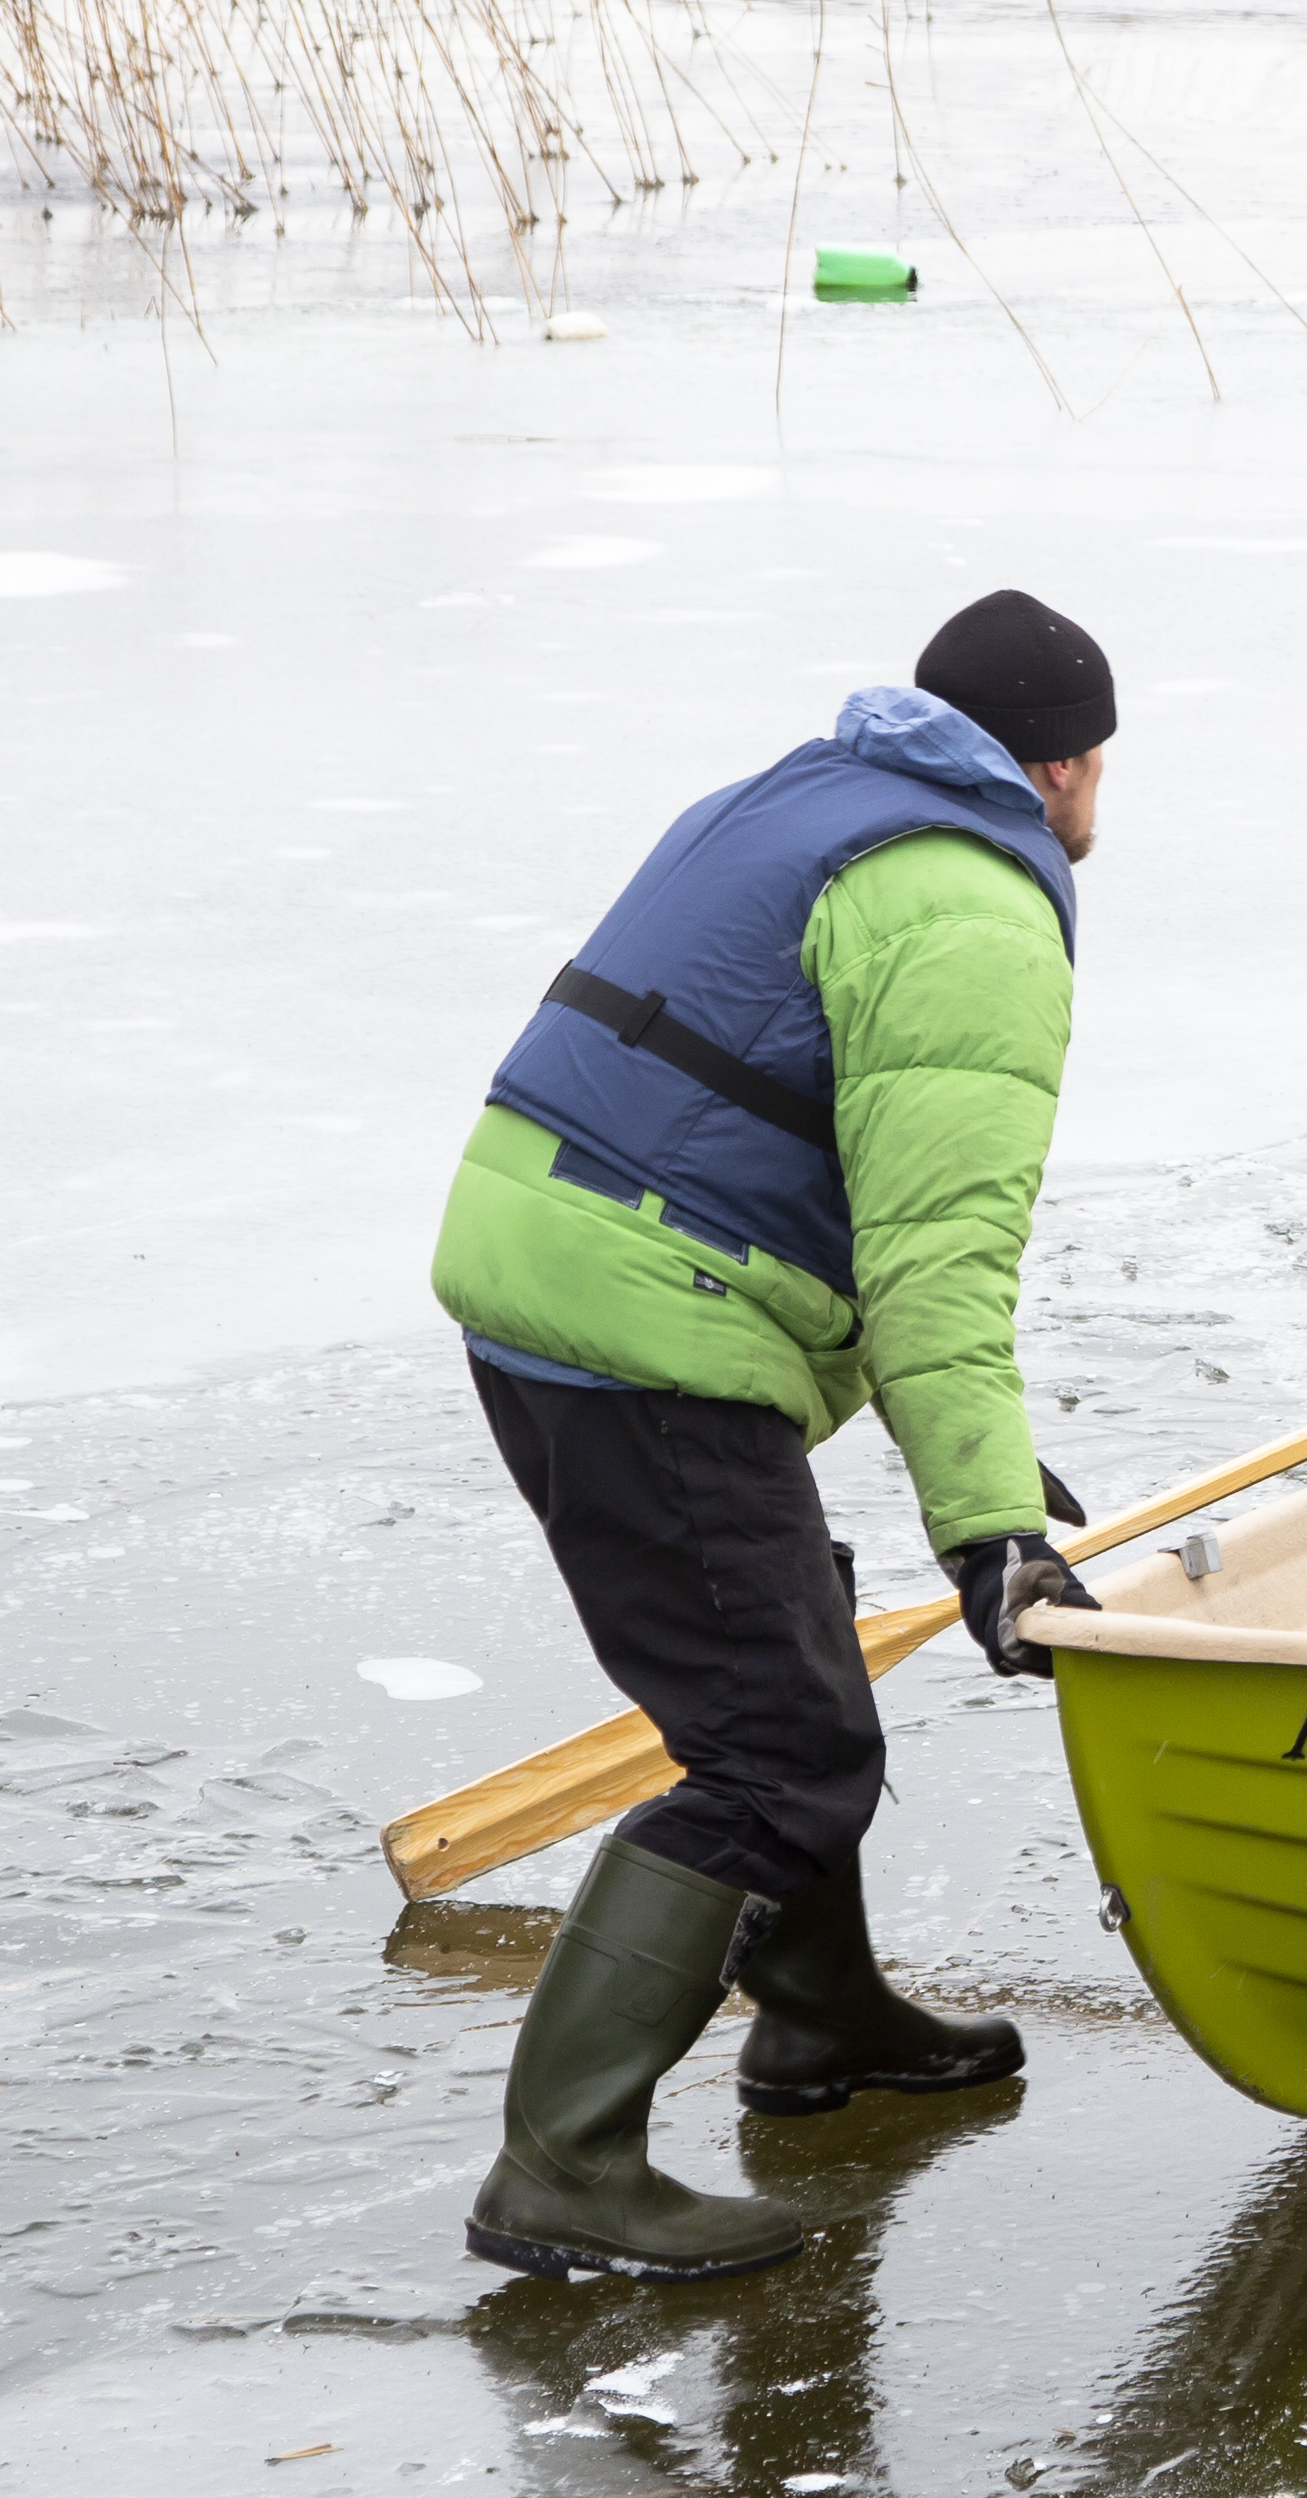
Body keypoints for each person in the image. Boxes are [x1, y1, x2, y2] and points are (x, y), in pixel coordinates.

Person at [428, 591, 1118, 2280]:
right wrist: (993, 1539)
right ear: (1065, 766)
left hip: (558, 1271)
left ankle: (820, 2023)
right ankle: (561, 2166)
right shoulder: (971, 910)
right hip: (649, 1329)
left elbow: (764, 1126)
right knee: (780, 1753)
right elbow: (935, 1256)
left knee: (784, 1643)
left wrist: (991, 1472)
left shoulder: (796, 803)